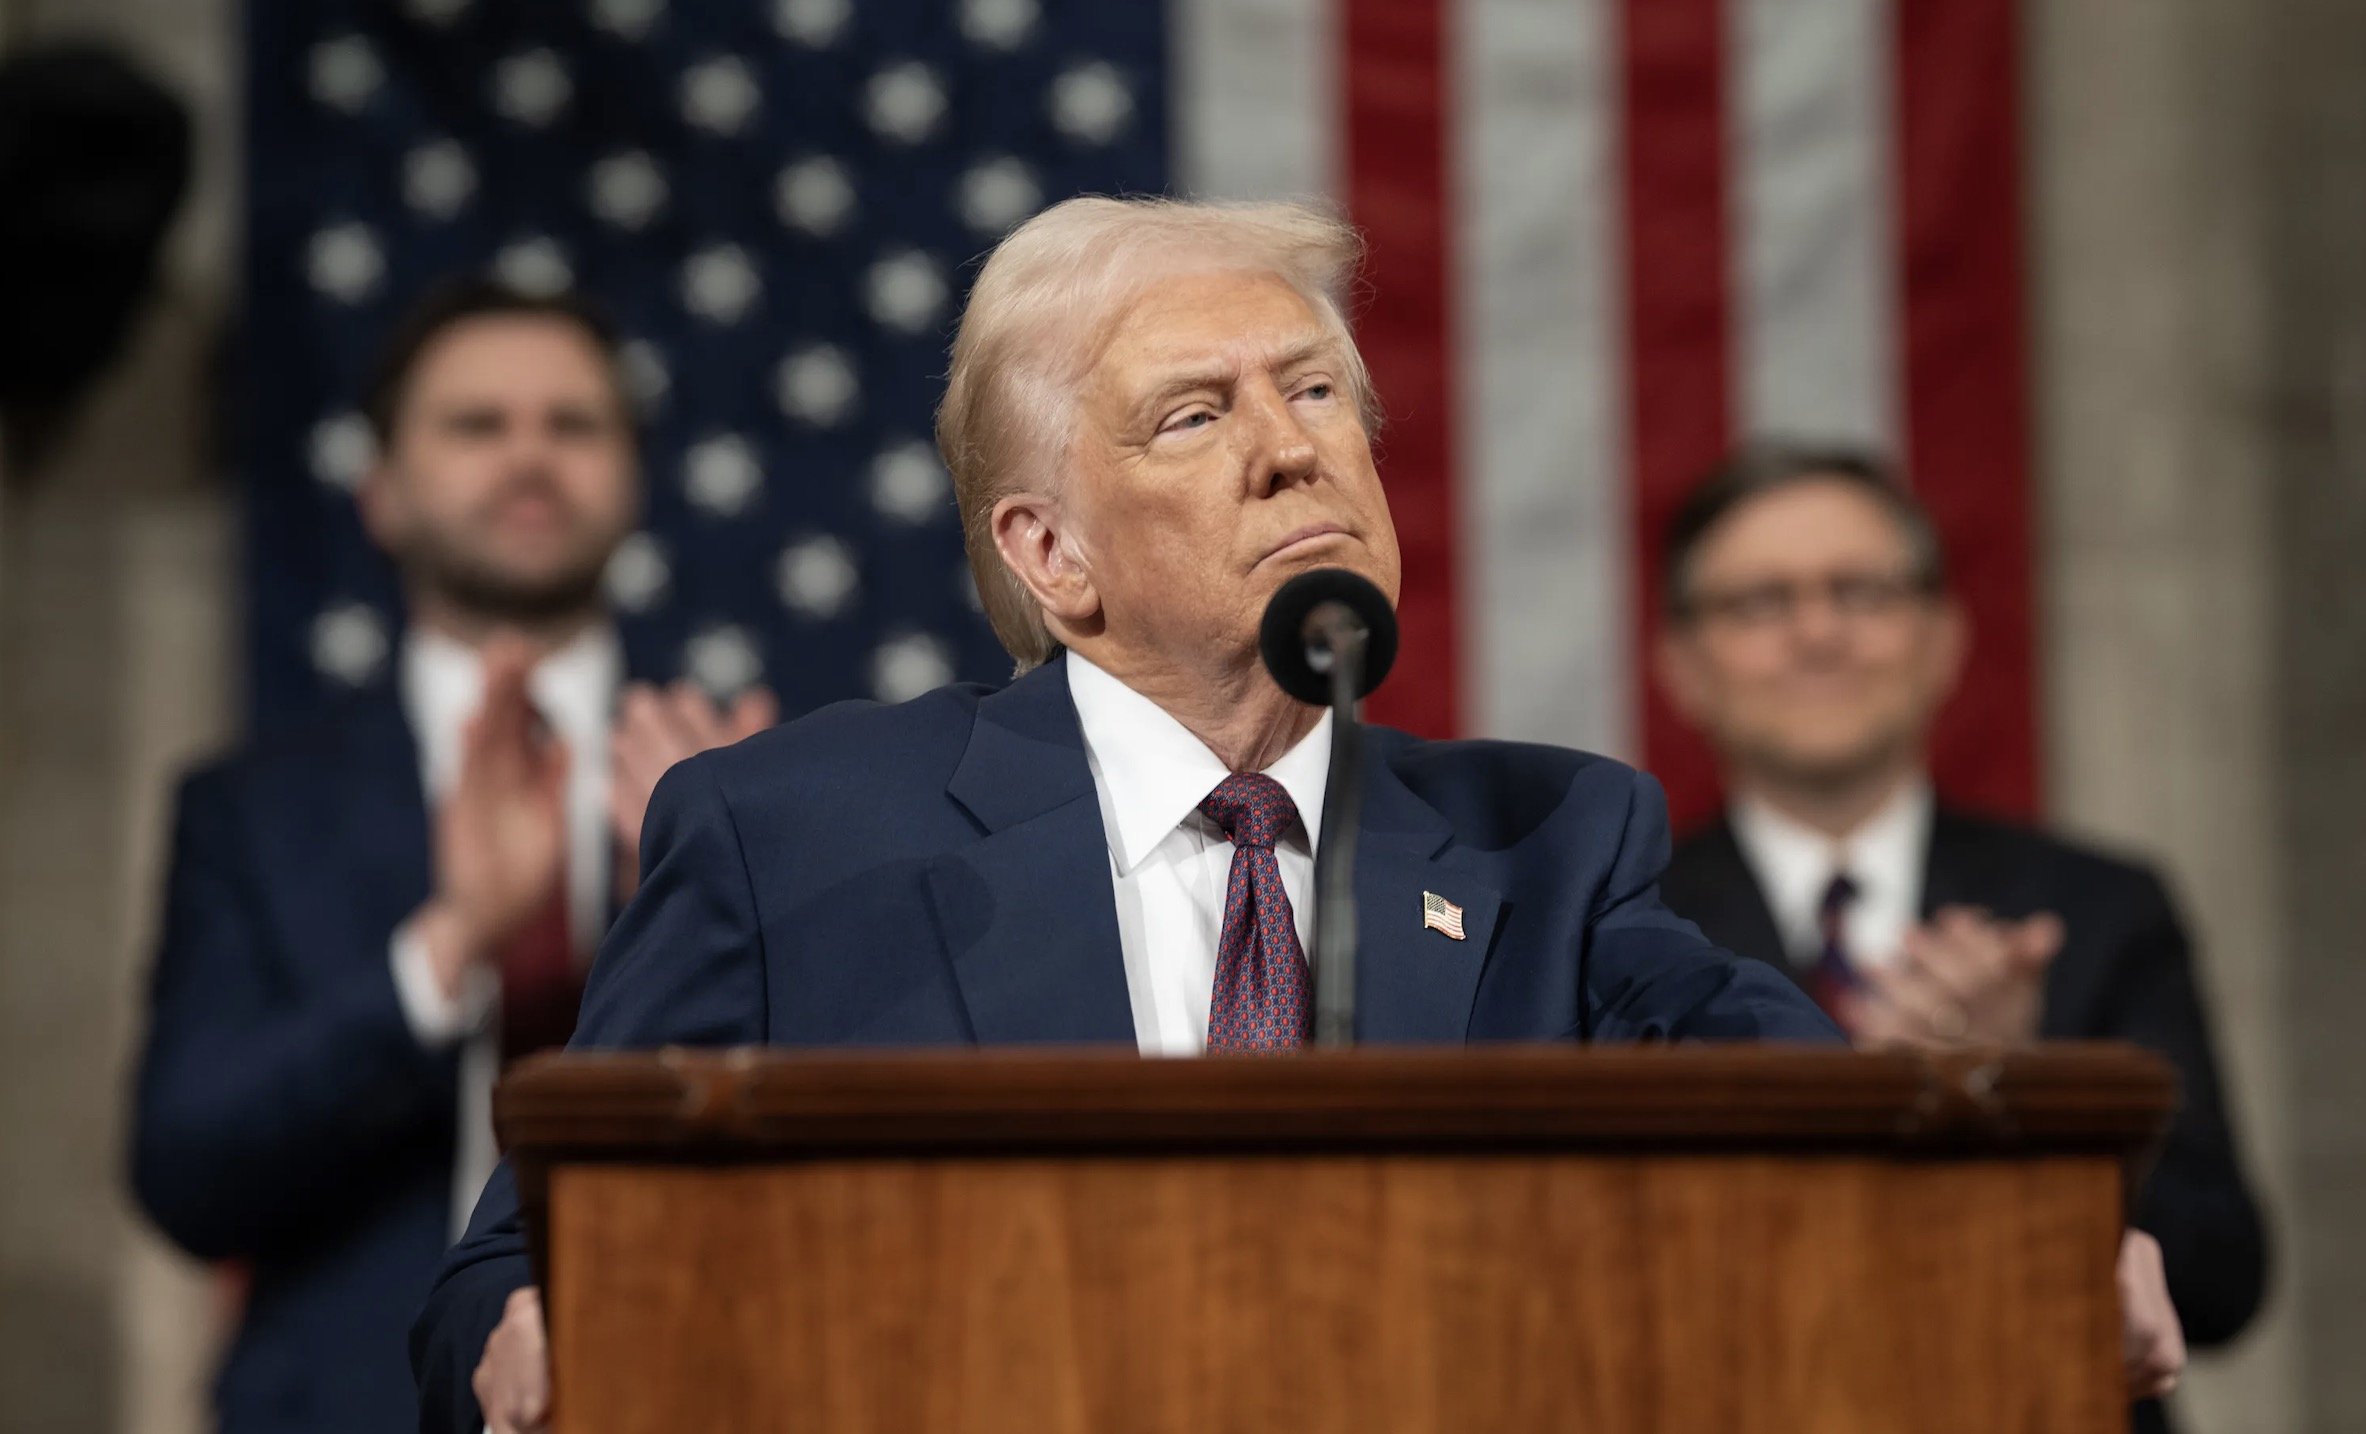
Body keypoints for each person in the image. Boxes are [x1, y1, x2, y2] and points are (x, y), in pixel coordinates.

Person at [410, 200, 2181, 1434]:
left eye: (1316, 390)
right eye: (1196, 413)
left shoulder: (1549, 843)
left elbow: (1796, 1097)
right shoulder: (799, 828)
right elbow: (517, 1245)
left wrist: (2003, 1219)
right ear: (1050, 552)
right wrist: (531, 1325)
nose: (1290, 446)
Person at [129, 280, 775, 1434]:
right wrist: (448, 946)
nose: (529, 457)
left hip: (697, 1383)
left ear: (630, 480)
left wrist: (723, 908)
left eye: (572, 425)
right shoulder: (252, 809)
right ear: (382, 493)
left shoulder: (743, 778)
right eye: (477, 425)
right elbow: (186, 1172)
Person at [1653, 444, 2264, 1432]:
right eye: (1761, 603)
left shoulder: (2098, 910)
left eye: (1860, 592)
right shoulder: (1615, 920)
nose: (1818, 635)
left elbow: (2224, 1277)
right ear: (1680, 668)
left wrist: (2018, 1092)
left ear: (1942, 640)